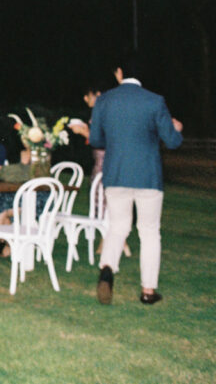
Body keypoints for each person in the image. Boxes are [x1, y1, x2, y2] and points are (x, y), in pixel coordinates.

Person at [90, 56, 183, 306]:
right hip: (147, 176)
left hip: (117, 173)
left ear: (119, 72)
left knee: (118, 226)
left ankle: (107, 270)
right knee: (149, 231)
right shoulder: (155, 101)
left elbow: (97, 139)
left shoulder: (105, 100)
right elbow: (172, 141)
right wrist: (177, 128)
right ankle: (148, 291)